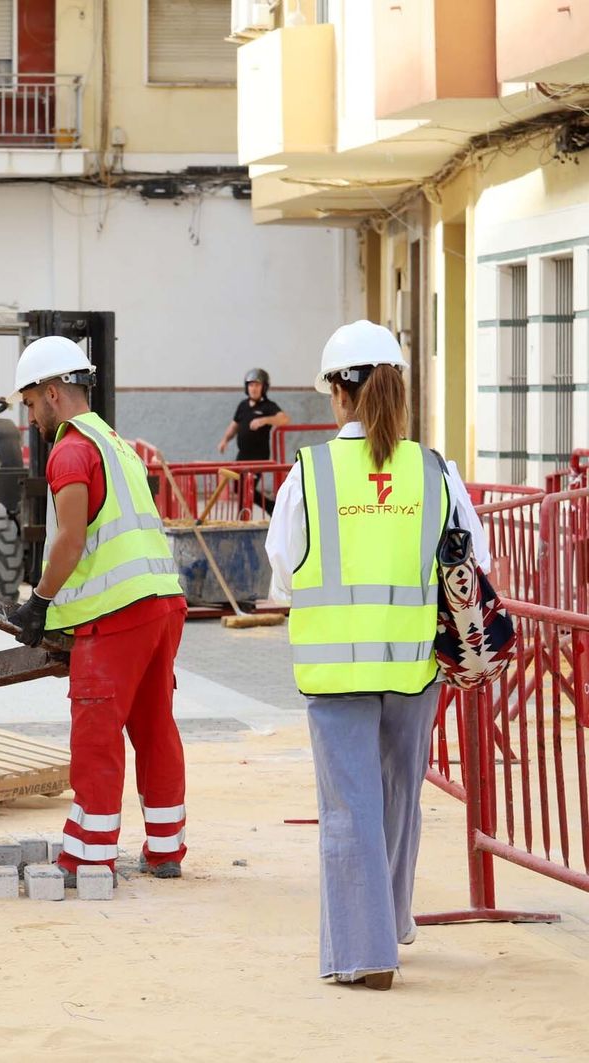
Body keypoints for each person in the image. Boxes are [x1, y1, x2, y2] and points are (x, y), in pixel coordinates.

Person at [264, 320, 489, 992]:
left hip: (335, 671)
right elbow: (471, 559)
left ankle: (366, 953)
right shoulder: (436, 470)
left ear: (339, 392)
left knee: (350, 808)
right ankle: (389, 921)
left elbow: (284, 572)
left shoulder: (310, 474)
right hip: (415, 667)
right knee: (398, 801)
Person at [7, 336, 188, 885]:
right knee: (155, 728)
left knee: (96, 733)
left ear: (52, 393)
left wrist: (38, 602)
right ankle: (165, 849)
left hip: (116, 615)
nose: (30, 416)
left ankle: (89, 856)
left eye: (30, 402)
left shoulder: (70, 449)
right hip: (162, 602)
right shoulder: (115, 443)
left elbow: (71, 538)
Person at [217, 368, 290, 460]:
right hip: (242, 456)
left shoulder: (268, 405)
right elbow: (234, 426)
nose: (254, 389)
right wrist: (225, 440)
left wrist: (264, 420)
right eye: (251, 385)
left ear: (264, 387)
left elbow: (284, 419)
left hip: (259, 457)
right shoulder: (243, 405)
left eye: (257, 385)